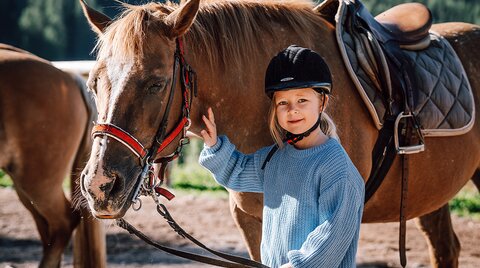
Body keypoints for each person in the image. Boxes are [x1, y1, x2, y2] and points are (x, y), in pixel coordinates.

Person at [199, 45, 364, 268]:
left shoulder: (336, 168)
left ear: (322, 102)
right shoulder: (276, 157)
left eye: (302, 101)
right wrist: (213, 144)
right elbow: (237, 171)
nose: (292, 110)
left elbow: (332, 237)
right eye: (282, 103)